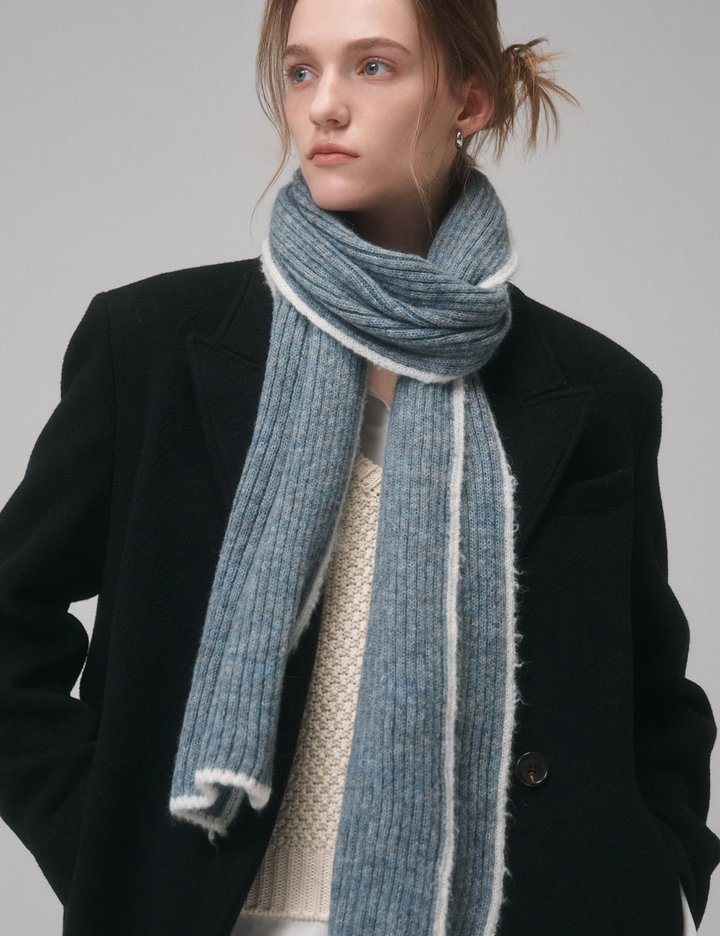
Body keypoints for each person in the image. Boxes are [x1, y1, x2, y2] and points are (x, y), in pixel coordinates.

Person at [0, 0, 718, 934]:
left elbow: (654, 692)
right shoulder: (152, 346)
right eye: (302, 70)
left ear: (471, 99)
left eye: (373, 67)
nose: (323, 105)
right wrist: (106, 848)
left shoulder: (598, 389)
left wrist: (667, 873)